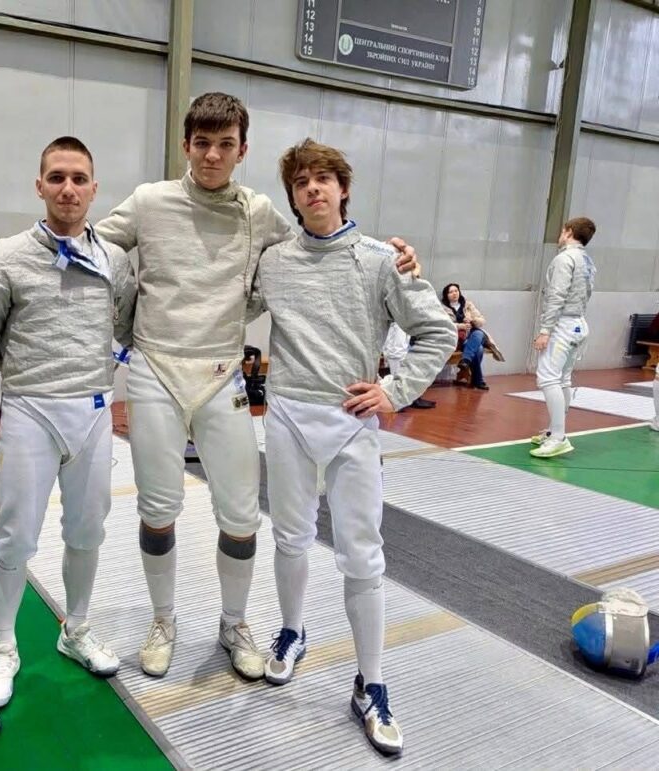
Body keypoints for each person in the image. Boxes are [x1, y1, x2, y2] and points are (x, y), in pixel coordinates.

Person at [95, 92, 419, 681]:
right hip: (155, 370)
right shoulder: (149, 201)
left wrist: (395, 258)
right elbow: (95, 247)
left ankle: (234, 623)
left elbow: (317, 242)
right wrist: (124, 315)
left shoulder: (259, 211)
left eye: (225, 145)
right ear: (185, 145)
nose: (212, 155)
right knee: (158, 508)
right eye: (201, 143)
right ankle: (163, 620)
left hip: (222, 373)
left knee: (242, 515)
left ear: (242, 150)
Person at [255, 139, 455, 756]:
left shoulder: (381, 260)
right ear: (292, 197)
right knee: (289, 537)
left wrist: (393, 391)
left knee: (363, 557)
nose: (313, 189)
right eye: (301, 183)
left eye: (323, 179)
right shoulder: (273, 261)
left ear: (343, 188)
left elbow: (438, 331)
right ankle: (292, 632)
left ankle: (371, 683)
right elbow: (221, 297)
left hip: (350, 421)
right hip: (287, 415)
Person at [0, 137, 136, 707]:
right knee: (16, 535)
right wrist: (31, 373)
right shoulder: (7, 257)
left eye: (79, 178)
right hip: (29, 411)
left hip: (93, 412)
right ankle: (4, 646)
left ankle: (77, 630)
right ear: (39, 185)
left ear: (94, 189)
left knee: (87, 530)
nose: (68, 188)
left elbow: (127, 324)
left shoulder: (114, 260)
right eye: (57, 177)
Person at [529, 217, 598, 458]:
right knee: (563, 379)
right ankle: (553, 430)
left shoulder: (564, 259)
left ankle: (558, 437)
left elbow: (557, 295)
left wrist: (545, 330)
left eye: (562, 230)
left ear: (568, 232)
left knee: (548, 379)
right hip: (578, 323)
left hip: (563, 325)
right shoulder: (587, 260)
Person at [440, 283, 504, 390]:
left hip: (472, 335)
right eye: (451, 292)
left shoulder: (468, 305)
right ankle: (477, 380)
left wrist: (472, 320)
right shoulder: (443, 308)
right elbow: (443, 324)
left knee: (479, 333)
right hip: (457, 339)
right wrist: (461, 326)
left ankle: (465, 360)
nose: (454, 293)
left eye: (456, 291)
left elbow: (482, 320)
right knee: (478, 349)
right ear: (446, 295)